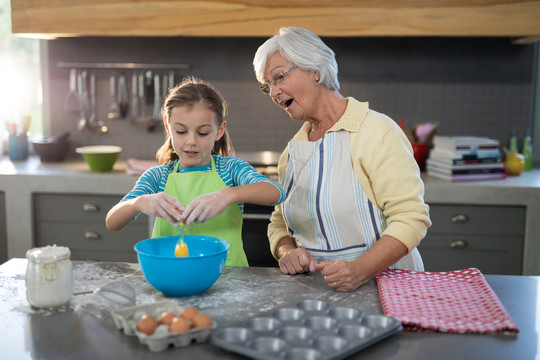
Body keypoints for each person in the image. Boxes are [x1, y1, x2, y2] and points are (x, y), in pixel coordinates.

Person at [253, 27, 431, 291]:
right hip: (319, 294)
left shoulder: (377, 132)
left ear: (315, 70)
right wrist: (286, 251)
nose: (274, 93)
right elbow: (279, 223)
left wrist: (361, 269)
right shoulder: (293, 151)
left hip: (390, 291)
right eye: (267, 86)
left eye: (279, 78)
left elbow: (410, 218)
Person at [106, 76, 286, 266]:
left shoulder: (230, 170)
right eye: (181, 132)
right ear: (168, 127)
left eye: (202, 133)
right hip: (172, 278)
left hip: (228, 281)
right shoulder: (157, 177)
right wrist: (140, 203)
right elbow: (112, 222)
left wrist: (228, 195)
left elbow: (276, 192)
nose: (191, 141)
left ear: (219, 130)